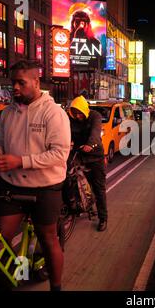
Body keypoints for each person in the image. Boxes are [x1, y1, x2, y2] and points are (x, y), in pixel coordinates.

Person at [0, 60, 71, 291]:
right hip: (11, 185)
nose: (14, 87)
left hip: (45, 188)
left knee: (48, 239)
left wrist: (20, 161)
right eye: (12, 82)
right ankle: (5, 280)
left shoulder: (54, 113)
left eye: (20, 82)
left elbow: (59, 154)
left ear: (36, 82)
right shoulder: (8, 112)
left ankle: (56, 287)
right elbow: (2, 140)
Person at [67, 95, 108, 232]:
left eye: (79, 112)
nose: (77, 115)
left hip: (95, 156)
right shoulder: (70, 120)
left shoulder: (94, 116)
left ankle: (103, 218)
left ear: (85, 110)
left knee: (99, 188)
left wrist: (91, 144)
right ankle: (77, 206)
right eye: (74, 112)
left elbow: (96, 132)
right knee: (69, 179)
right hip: (78, 154)